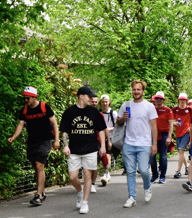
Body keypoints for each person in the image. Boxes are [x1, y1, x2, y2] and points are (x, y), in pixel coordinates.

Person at [8, 86, 60, 206]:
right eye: (25, 98)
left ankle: (38, 195)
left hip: (45, 140)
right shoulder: (24, 110)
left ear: (34, 97)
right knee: (36, 169)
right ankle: (43, 192)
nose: (26, 101)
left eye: (27, 98)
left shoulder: (44, 107)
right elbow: (20, 125)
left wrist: (56, 140)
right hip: (32, 142)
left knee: (39, 165)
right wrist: (13, 137)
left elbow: (54, 124)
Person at [60, 86, 107, 214]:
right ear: (81, 96)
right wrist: (65, 145)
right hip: (74, 149)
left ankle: (85, 203)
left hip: (91, 148)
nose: (91, 99)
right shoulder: (69, 112)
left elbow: (102, 130)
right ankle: (80, 192)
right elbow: (64, 130)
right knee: (72, 177)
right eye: (89, 96)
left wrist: (102, 146)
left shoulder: (94, 112)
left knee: (87, 174)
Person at [117, 80, 158, 208]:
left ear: (143, 91)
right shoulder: (126, 104)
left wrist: (154, 144)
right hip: (129, 143)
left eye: (138, 89)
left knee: (144, 170)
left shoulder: (149, 106)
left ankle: (147, 188)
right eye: (134, 89)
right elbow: (118, 121)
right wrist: (123, 117)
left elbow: (154, 126)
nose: (136, 92)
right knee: (130, 171)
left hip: (144, 143)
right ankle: (131, 197)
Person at [150, 91, 174, 184]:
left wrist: (169, 137)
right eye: (157, 99)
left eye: (160, 99)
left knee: (163, 157)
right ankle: (154, 175)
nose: (158, 101)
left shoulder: (168, 110)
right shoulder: (151, 109)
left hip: (164, 135)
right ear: (154, 100)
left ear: (163, 100)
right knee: (152, 156)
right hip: (153, 135)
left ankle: (163, 176)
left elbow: (171, 124)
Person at [99, 95, 120, 186]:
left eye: (106, 101)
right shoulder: (98, 113)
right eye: (103, 102)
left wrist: (107, 129)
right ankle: (106, 172)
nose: (104, 103)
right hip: (100, 137)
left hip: (110, 137)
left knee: (108, 156)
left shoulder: (113, 113)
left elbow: (117, 126)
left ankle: (106, 173)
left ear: (109, 102)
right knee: (102, 156)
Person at [172, 93, 191, 178]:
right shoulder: (175, 109)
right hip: (178, 133)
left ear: (186, 101)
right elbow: (169, 120)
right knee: (181, 152)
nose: (182, 101)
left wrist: (190, 128)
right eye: (181, 100)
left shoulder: (190, 109)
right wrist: (174, 123)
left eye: (184, 100)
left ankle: (178, 171)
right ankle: (187, 167)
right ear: (178, 100)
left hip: (186, 133)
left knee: (181, 151)